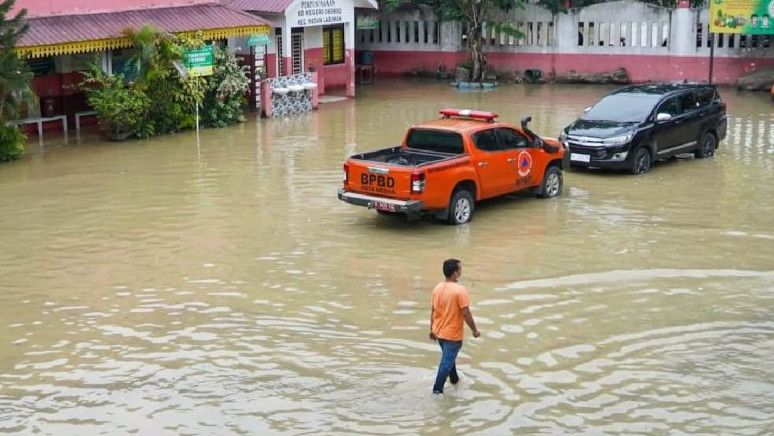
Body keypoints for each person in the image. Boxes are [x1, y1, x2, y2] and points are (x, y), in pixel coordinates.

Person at [429, 258, 480, 394]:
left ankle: (455, 380)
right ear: (455, 273)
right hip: (452, 335)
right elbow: (466, 313)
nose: (461, 272)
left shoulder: (437, 288)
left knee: (448, 358)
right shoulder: (460, 291)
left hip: (439, 333)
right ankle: (437, 391)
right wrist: (474, 330)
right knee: (446, 363)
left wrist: (431, 330)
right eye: (460, 269)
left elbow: (433, 310)